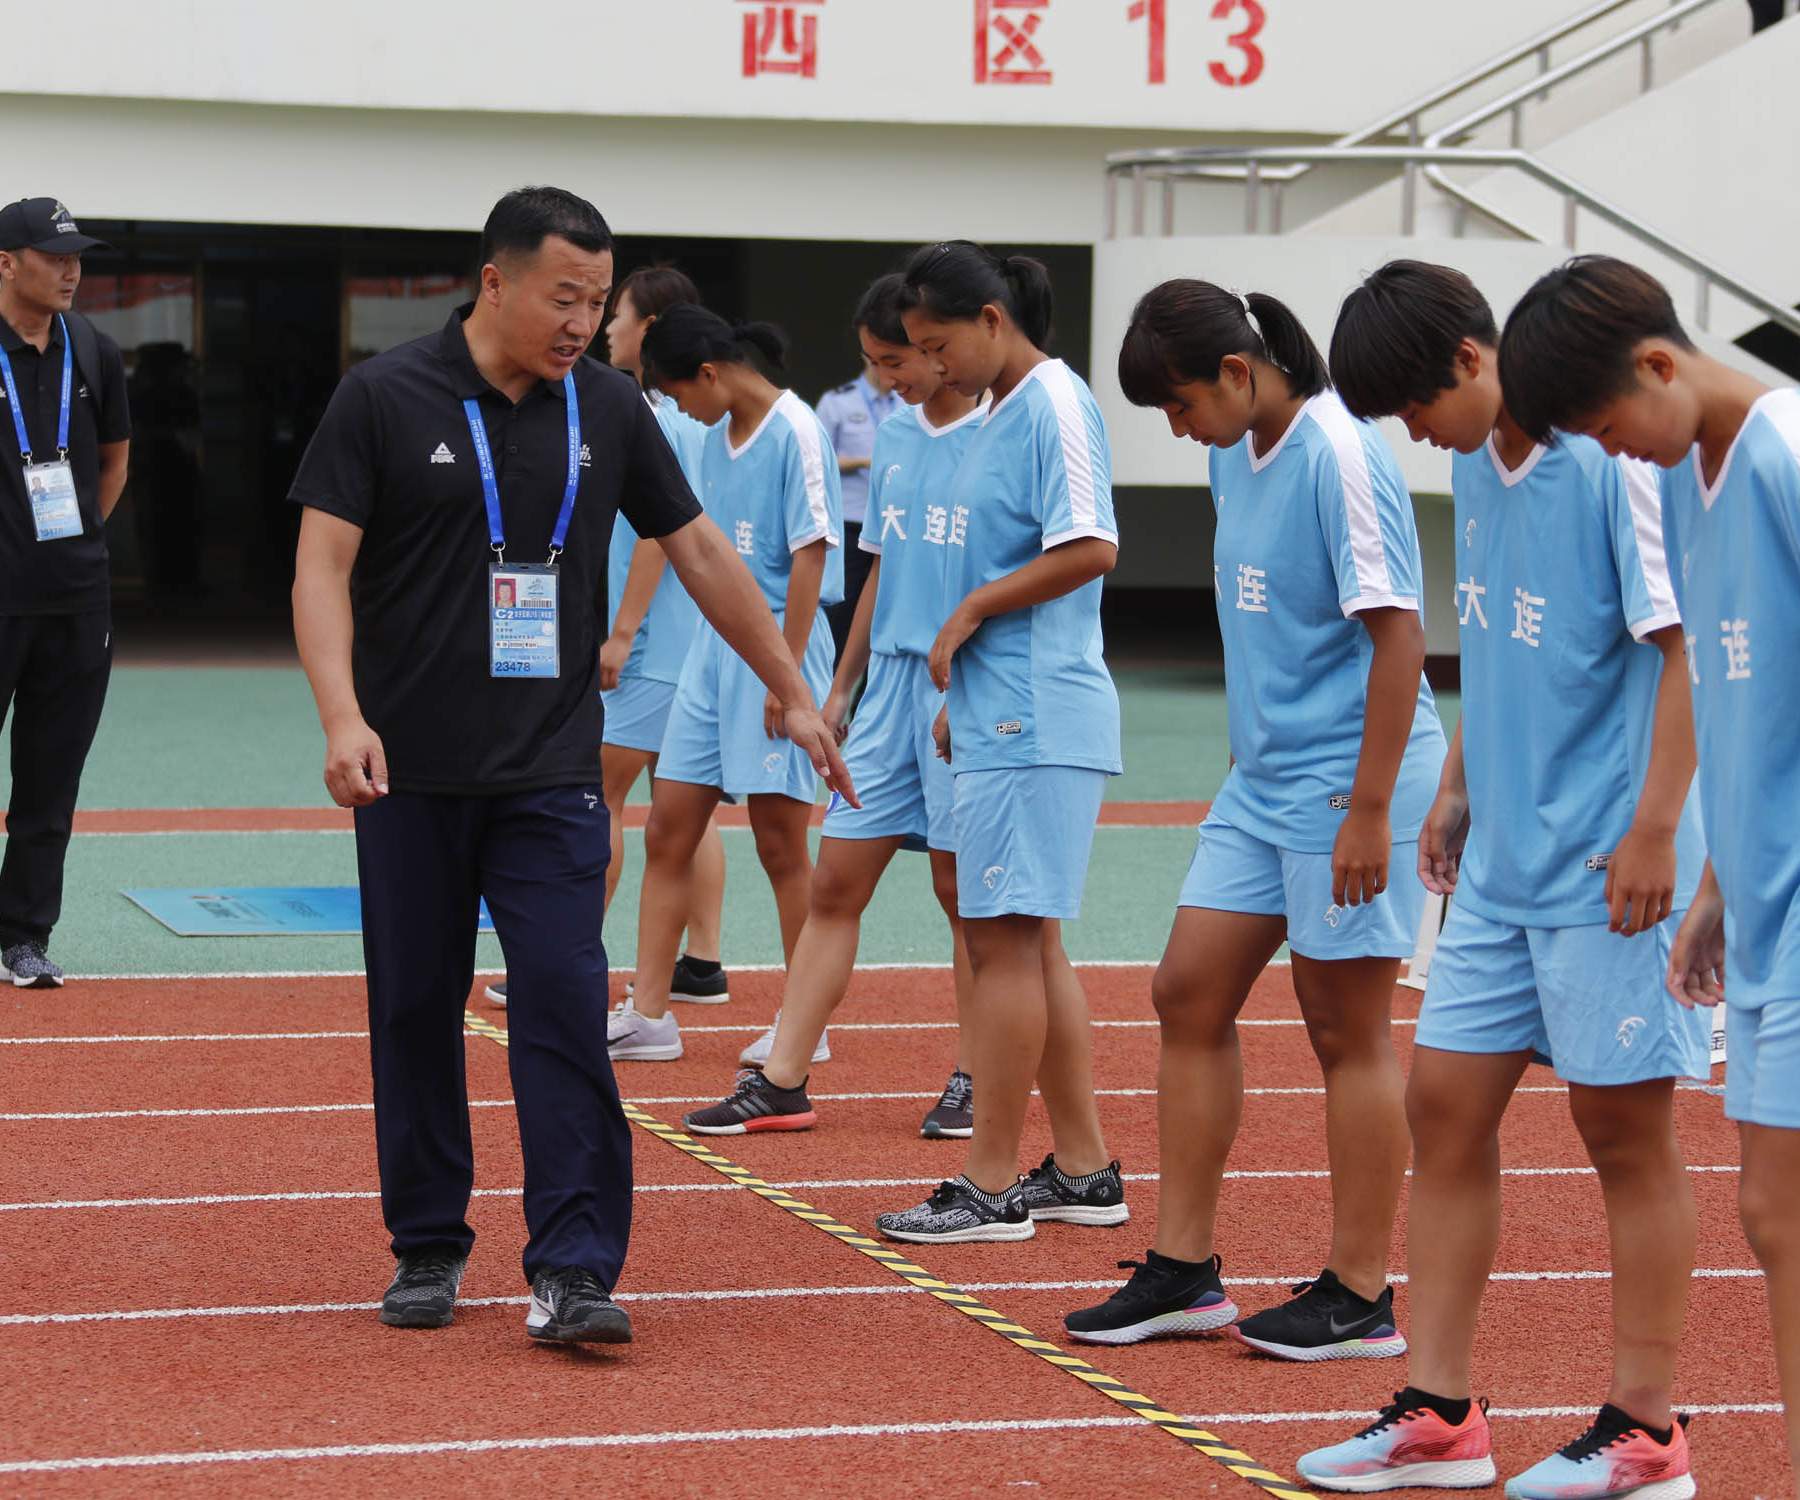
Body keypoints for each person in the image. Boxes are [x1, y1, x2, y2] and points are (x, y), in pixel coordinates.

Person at [288, 186, 852, 1346]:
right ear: (495, 282)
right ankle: (430, 1244)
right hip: (411, 770)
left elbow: (694, 547)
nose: (582, 324)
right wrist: (342, 717)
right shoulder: (385, 397)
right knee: (413, 1008)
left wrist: (790, 689)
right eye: (563, 296)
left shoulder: (608, 407)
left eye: (598, 302)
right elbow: (321, 567)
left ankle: (576, 1267)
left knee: (560, 998)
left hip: (550, 770)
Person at [1295, 260, 1708, 1496]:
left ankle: (1647, 1432)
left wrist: (1654, 830)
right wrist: (1462, 781)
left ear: (1475, 361)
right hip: (1504, 861)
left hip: (1608, 865)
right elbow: (1493, 620)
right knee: (1445, 1109)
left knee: (1621, 1132)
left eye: (1419, 408)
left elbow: (1683, 654)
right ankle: (1440, 1411)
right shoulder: (1477, 463)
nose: (1414, 438)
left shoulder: (1616, 463)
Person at [1066, 280, 1446, 1357]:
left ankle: (1360, 1294)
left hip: (1354, 782)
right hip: (1266, 779)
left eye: (1181, 407)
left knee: (1343, 1026)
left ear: (1238, 373)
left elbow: (1398, 639)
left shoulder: (1341, 455)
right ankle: (1184, 1271)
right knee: (1186, 989)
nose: (1179, 432)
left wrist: (1371, 809)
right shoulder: (1236, 447)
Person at [1497, 253, 1800, 1483]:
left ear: (1661, 365)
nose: (1614, 455)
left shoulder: (1782, 450)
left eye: (1611, 425)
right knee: (1775, 1218)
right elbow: (1744, 698)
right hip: (1769, 897)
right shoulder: (1686, 476)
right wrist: (1723, 882)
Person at [682, 272, 984, 1139]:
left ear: (941, 344)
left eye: (900, 359)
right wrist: (839, 685)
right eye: (876, 362)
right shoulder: (895, 442)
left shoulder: (1000, 435)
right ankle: (785, 1077)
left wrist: (963, 683)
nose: (890, 379)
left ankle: (973, 1073)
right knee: (836, 882)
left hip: (960, 684)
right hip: (886, 684)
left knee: (960, 892)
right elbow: (880, 569)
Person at [871, 240, 1129, 1244]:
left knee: (1006, 944)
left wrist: (971, 613)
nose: (932, 368)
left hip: (1036, 707)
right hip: (999, 703)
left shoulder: (1054, 404)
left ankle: (985, 1186)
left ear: (991, 318)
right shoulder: (998, 413)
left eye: (940, 346)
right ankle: (1082, 1167)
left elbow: (1092, 545)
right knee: (1030, 941)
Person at [482, 266, 729, 1009]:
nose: (600, 327)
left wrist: (621, 634)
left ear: (650, 326)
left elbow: (662, 537)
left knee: (601, 794)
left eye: (609, 311)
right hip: (681, 637)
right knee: (682, 802)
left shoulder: (647, 415)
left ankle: (562, 958)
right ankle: (703, 961)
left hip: (653, 640)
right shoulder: (681, 418)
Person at [609, 304, 843, 1063]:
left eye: (679, 394)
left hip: (779, 654)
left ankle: (805, 1021)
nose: (678, 409)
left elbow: (811, 556)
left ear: (710, 373)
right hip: (713, 657)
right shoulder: (709, 440)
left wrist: (790, 680)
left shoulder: (798, 430)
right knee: (667, 826)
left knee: (781, 845)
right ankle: (648, 1014)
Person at [0, 197, 130, 990]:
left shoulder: (93, 349)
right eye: (54, 255)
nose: (71, 269)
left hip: (77, 604)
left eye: (77, 254)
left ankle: (23, 936)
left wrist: (77, 539)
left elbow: (115, 461)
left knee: (51, 779)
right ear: (6, 262)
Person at [817, 348, 902, 661]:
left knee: (887, 611)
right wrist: (866, 461)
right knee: (843, 609)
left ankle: (865, 692)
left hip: (895, 523)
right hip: (851, 523)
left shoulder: (908, 401)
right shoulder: (837, 402)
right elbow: (818, 459)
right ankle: (830, 687)